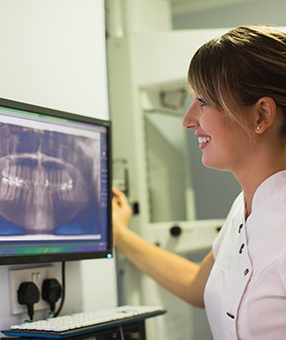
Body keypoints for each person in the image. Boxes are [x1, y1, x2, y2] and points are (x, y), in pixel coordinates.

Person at [112, 25, 286, 339]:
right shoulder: (244, 208)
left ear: (261, 115)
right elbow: (197, 284)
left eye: (203, 101)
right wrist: (120, 234)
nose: (188, 119)